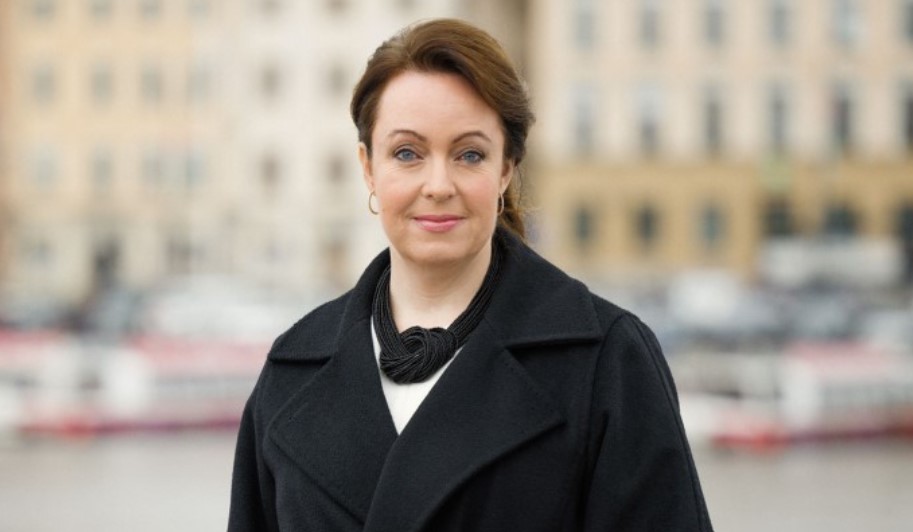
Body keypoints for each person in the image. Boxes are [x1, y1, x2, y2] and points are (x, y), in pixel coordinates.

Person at [228, 18, 713, 532]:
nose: (438, 185)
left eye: (469, 155)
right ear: (368, 168)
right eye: (407, 153)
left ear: (505, 169)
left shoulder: (607, 361)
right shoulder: (291, 371)